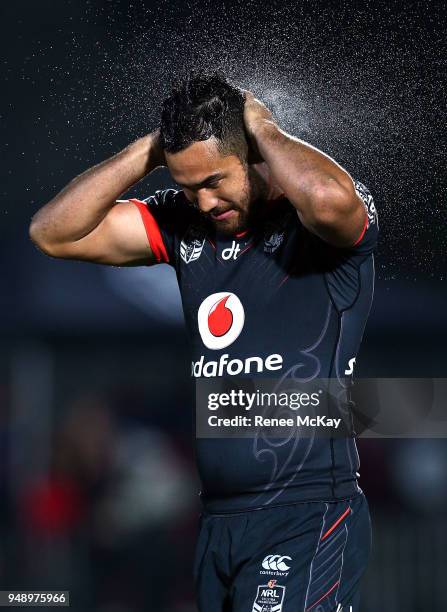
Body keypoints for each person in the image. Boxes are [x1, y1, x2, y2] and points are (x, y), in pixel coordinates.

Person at [30, 71, 378, 612]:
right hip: (218, 522)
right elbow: (53, 232)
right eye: (189, 186)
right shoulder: (183, 222)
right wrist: (148, 152)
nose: (204, 200)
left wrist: (262, 128)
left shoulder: (311, 222)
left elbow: (333, 201)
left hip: (306, 513)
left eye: (215, 180)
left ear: (253, 153)